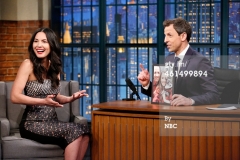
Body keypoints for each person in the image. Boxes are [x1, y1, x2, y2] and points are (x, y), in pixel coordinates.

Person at [11, 27, 90, 160]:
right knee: (74, 130)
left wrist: (71, 98)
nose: (39, 45)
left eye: (44, 41)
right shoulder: (28, 64)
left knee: (85, 131)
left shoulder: (54, 66)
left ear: (51, 45)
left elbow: (56, 97)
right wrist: (42, 101)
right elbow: (14, 97)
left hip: (51, 122)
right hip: (32, 123)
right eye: (36, 41)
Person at [138, 17, 220, 106]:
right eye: (165, 36)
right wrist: (146, 84)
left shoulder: (200, 61)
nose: (165, 40)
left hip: (191, 116)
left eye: (169, 35)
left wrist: (190, 100)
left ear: (183, 36)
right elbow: (162, 94)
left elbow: (214, 95)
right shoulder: (168, 59)